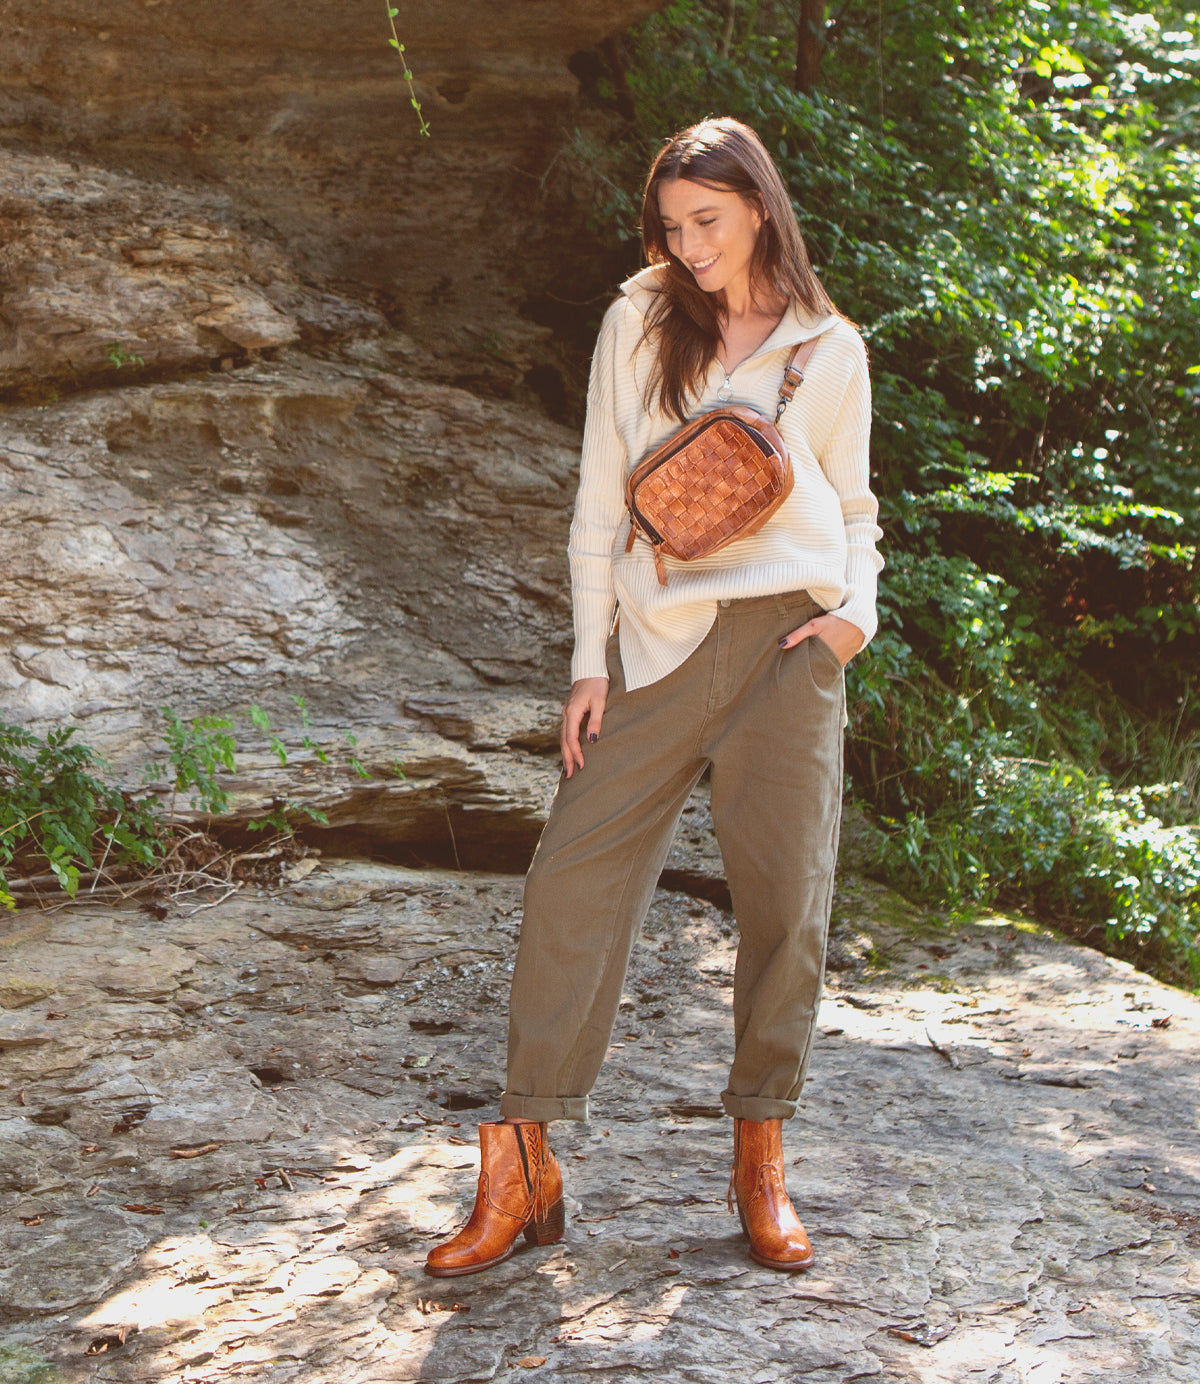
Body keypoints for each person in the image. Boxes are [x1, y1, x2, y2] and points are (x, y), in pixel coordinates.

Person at [425, 116, 882, 1278]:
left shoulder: (831, 350)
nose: (688, 248)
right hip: (659, 647)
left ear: (762, 209)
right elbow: (594, 504)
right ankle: (521, 1163)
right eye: (672, 228)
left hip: (789, 645)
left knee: (789, 903)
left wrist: (846, 626)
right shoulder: (636, 323)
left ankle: (759, 1154)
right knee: (572, 876)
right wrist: (590, 660)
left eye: (708, 223)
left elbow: (859, 510)